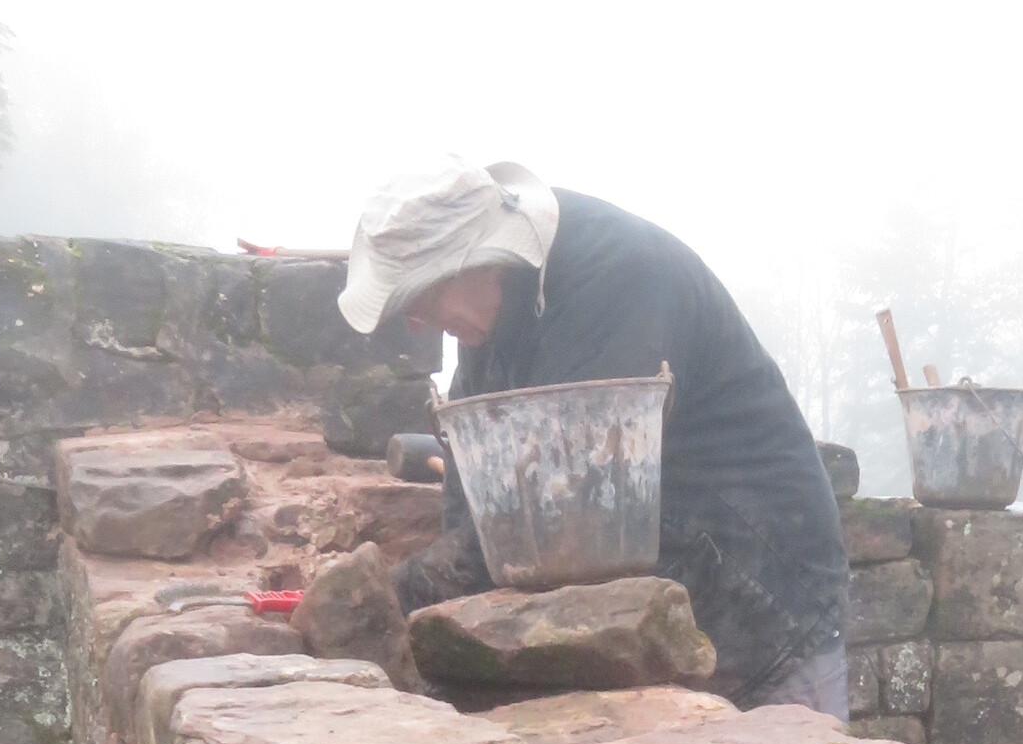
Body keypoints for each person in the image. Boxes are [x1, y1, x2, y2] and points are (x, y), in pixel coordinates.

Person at [339, 160, 850, 715]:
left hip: (758, 583)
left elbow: (559, 513)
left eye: (418, 298)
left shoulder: (618, 281)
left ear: (477, 260)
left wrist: (389, 603)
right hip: (665, 581)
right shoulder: (494, 311)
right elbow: (476, 491)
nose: (416, 323)